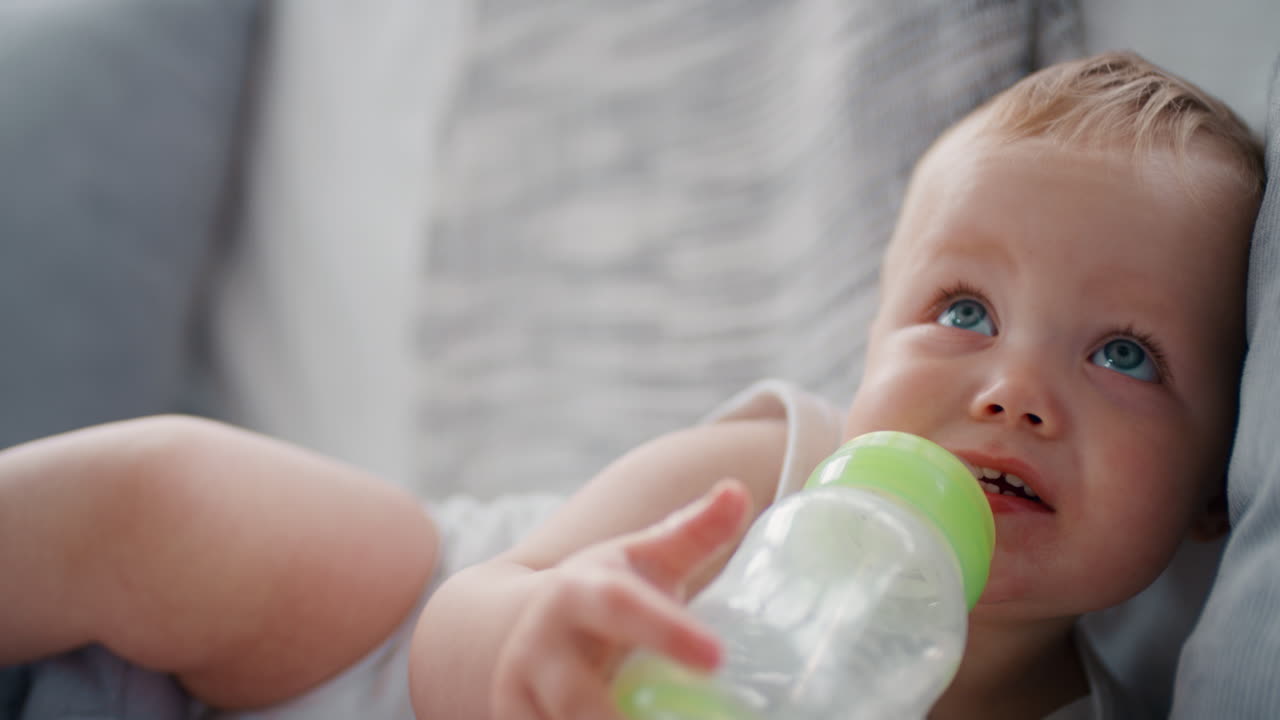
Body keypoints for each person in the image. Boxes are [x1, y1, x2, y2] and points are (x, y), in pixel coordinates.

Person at [0, 51, 1264, 720]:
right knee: (167, 500)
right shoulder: (764, 479)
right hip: (362, 660)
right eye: (962, 312)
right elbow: (463, 623)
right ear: (870, 340)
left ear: (1217, 486)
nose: (1010, 391)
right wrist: (537, 643)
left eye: (1121, 355)